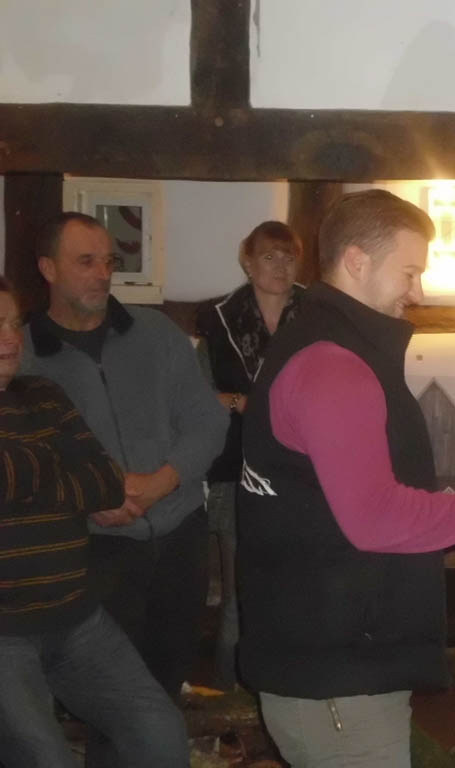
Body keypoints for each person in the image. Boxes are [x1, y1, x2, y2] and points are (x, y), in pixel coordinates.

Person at [236, 189, 455, 768]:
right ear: (357, 261)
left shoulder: (328, 346)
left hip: (330, 661)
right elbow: (376, 519)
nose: (419, 291)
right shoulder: (334, 367)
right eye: (409, 272)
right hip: (336, 678)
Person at [20, 211, 229, 700]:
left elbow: (207, 420)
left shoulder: (155, 332)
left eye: (109, 261)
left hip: (179, 537)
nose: (102, 273)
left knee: (166, 686)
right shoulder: (25, 357)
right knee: (110, 699)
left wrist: (163, 481)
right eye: (86, 262)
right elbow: (25, 464)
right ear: (48, 269)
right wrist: (88, 499)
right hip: (92, 548)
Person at [0, 277, 188, 768]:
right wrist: (55, 464)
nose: (11, 337)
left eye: (14, 323)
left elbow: (104, 481)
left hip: (76, 618)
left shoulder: (42, 394)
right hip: (4, 634)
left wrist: (27, 478)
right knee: (46, 758)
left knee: (161, 731)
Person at [195, 220, 305, 689]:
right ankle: (230, 699)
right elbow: (197, 395)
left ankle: (287, 693)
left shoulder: (316, 315)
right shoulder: (219, 319)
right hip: (236, 469)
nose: (280, 267)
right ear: (247, 261)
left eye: (288, 258)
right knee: (241, 595)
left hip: (303, 472)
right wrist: (242, 402)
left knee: (298, 587)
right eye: (269, 257)